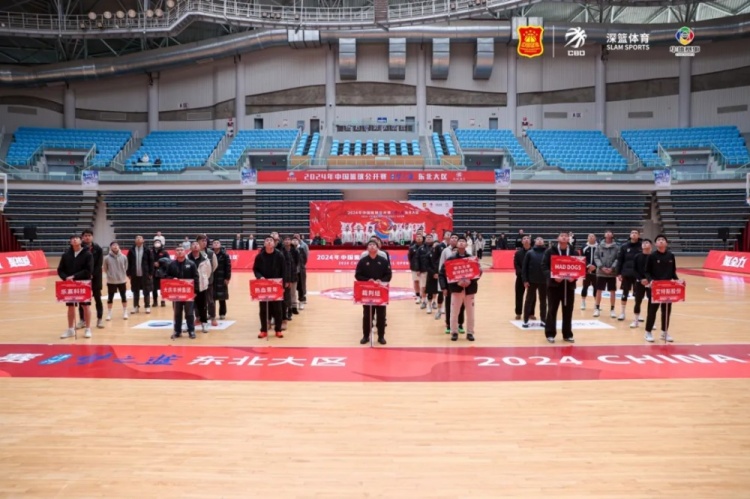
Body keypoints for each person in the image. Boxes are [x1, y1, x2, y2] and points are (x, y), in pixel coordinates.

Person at [440, 236, 481, 342]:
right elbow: (443, 274)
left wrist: (471, 281)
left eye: (463, 241)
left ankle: (470, 332)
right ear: (457, 244)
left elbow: (478, 272)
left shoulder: (472, 258)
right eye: (460, 241)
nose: (461, 242)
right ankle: (454, 332)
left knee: (470, 313)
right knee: (454, 312)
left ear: (466, 245)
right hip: (456, 289)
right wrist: (445, 287)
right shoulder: (450, 259)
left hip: (469, 289)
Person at [541, 232, 577, 343]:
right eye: (562, 236)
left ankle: (567, 334)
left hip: (569, 286)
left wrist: (574, 278)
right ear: (558, 238)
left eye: (566, 236)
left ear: (569, 239)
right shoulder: (550, 251)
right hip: (554, 286)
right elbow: (544, 266)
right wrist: (553, 276)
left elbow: (579, 267)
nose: (564, 237)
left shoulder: (574, 252)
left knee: (568, 311)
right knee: (552, 310)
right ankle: (550, 334)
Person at [355, 241, 393, 345]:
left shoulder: (383, 261)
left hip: (381, 292)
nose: (372, 246)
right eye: (370, 245)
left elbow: (388, 275)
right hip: (367, 292)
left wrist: (381, 281)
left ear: (377, 248)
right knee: (367, 315)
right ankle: (365, 336)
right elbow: (357, 275)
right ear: (367, 248)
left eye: (374, 245)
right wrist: (367, 280)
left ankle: (381, 336)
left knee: (381, 315)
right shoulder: (363, 261)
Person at [644, 235, 681, 343]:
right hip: (655, 287)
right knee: (652, 311)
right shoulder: (652, 256)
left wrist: (677, 281)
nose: (661, 241)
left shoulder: (671, 256)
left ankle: (664, 332)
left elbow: (673, 272)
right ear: (656, 244)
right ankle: (648, 332)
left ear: (666, 243)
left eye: (663, 240)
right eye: (658, 240)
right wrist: (651, 281)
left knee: (666, 311)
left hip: (667, 287)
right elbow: (647, 271)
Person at [57, 235, 94, 339]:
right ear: (70, 242)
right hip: (69, 284)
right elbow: (60, 270)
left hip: (83, 283)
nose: (74, 239)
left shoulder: (87, 254)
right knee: (70, 307)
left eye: (76, 238)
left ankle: (88, 329)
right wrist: (65, 278)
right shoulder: (66, 255)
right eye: (72, 238)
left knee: (85, 306)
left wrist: (74, 276)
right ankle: (70, 330)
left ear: (80, 241)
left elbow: (88, 270)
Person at [252, 236, 287, 339]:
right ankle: (263, 330)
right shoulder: (259, 256)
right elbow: (255, 270)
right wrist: (260, 277)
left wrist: (283, 285)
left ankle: (278, 330)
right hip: (264, 286)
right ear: (264, 244)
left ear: (274, 243)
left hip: (276, 285)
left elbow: (284, 270)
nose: (269, 242)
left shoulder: (279, 255)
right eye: (267, 240)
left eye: (271, 240)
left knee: (278, 309)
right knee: (263, 309)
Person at [167, 245, 199, 340]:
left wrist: (195, 291)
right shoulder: (171, 264)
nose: (179, 251)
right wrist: (172, 278)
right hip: (177, 293)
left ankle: (191, 330)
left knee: (189, 313)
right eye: (177, 250)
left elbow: (196, 278)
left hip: (188, 292)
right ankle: (177, 331)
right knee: (177, 313)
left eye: (181, 250)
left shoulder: (191, 264)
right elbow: (166, 276)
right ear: (175, 252)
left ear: (185, 252)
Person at [439, 234, 465, 335]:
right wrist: (443, 287)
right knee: (449, 305)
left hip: (461, 285)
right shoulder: (446, 253)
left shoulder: (465, 256)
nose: (454, 239)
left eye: (456, 238)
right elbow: (441, 271)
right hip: (449, 285)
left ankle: (460, 324)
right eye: (452, 238)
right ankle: (449, 325)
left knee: (461, 306)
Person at [78, 229, 104, 329]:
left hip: (96, 278)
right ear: (82, 237)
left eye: (89, 235)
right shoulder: (79, 248)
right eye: (85, 235)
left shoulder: (98, 249)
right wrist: (86, 274)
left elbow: (99, 264)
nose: (87, 237)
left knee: (98, 299)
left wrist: (92, 274)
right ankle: (82, 320)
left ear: (92, 237)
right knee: (83, 300)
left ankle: (99, 319)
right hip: (83, 278)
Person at [617, 229, 642, 322]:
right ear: (630, 235)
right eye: (632, 233)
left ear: (639, 235)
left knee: (638, 295)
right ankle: (622, 313)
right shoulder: (624, 246)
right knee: (625, 294)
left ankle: (637, 313)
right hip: (626, 274)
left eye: (636, 233)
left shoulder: (642, 246)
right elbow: (620, 260)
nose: (634, 234)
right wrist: (619, 273)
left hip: (638, 274)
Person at [522, 236, 547, 328]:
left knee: (543, 301)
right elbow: (524, 268)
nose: (539, 240)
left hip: (544, 281)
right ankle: (525, 320)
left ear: (543, 242)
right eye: (538, 239)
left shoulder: (547, 252)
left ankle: (543, 320)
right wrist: (525, 280)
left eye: (541, 239)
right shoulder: (529, 253)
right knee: (528, 300)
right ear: (535, 242)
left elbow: (550, 266)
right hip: (531, 281)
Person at [593, 230, 619, 319]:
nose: (608, 233)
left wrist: (612, 267)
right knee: (599, 290)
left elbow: (618, 258)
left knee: (612, 291)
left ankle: (612, 309)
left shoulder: (616, 247)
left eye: (610, 232)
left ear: (612, 235)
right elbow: (596, 257)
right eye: (606, 232)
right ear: (604, 235)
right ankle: (597, 308)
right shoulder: (599, 246)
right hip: (601, 272)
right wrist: (601, 267)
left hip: (612, 272)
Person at [188, 241, 212, 333]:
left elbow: (208, 272)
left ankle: (204, 323)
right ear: (190, 247)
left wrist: (204, 279)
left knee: (203, 306)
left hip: (201, 286)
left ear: (199, 247)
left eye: (197, 244)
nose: (195, 246)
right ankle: (189, 324)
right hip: (189, 287)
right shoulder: (186, 258)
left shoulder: (205, 258)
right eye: (193, 244)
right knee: (189, 307)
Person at [126, 235, 154, 314]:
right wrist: (128, 273)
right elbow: (128, 262)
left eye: (140, 238)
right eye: (137, 238)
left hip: (145, 274)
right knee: (135, 291)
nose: (138, 239)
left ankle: (147, 306)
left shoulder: (147, 250)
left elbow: (151, 262)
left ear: (143, 240)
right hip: (134, 274)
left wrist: (151, 273)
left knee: (146, 291)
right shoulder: (131, 250)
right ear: (135, 241)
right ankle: (135, 306)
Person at [103, 241, 129, 321]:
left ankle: (125, 312)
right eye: (113, 245)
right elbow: (105, 269)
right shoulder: (106, 258)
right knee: (110, 298)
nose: (115, 246)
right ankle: (109, 313)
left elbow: (126, 267)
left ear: (118, 246)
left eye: (116, 245)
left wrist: (122, 274)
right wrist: (110, 275)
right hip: (111, 281)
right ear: (111, 247)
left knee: (123, 296)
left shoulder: (124, 257)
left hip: (122, 280)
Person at [196, 234, 218, 327]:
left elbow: (215, 265)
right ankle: (198, 317)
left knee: (210, 300)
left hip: (208, 280)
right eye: (202, 241)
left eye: (205, 241)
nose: (204, 242)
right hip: (197, 281)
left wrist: (207, 275)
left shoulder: (210, 253)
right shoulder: (193, 253)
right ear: (197, 242)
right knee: (197, 300)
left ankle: (213, 317)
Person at [630, 238, 652, 329]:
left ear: (651, 246)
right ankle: (636, 320)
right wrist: (640, 279)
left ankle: (651, 322)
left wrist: (649, 280)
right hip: (639, 282)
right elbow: (634, 270)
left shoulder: (653, 257)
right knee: (638, 301)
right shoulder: (637, 256)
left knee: (652, 302)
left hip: (651, 283)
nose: (645, 244)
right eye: (643, 243)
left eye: (647, 243)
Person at [212, 239, 232, 320]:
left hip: (222, 278)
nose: (216, 244)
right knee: (211, 298)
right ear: (212, 245)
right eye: (214, 243)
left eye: (217, 243)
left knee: (222, 297)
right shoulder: (210, 254)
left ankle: (222, 313)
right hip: (212, 278)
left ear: (220, 245)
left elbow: (228, 267)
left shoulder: (225, 255)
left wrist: (227, 278)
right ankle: (212, 313)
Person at [513, 235, 531, 320]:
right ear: (522, 241)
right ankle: (518, 313)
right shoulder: (518, 253)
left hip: (531, 278)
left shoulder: (533, 252)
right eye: (524, 238)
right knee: (519, 295)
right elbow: (516, 265)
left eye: (527, 238)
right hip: (520, 277)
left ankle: (531, 313)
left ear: (530, 241)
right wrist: (523, 274)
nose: (526, 239)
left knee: (532, 296)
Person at [580, 233, 598, 311]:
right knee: (585, 286)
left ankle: (596, 303)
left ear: (595, 238)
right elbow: (582, 258)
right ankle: (583, 302)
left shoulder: (599, 247)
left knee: (596, 287)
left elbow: (600, 257)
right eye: (589, 236)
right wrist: (588, 266)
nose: (591, 237)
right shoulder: (584, 247)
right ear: (587, 238)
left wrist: (595, 266)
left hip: (596, 271)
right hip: (586, 271)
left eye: (592, 236)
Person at [408, 234, 427, 306]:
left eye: (420, 237)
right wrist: (414, 266)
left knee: (424, 284)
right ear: (415, 239)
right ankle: (418, 296)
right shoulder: (412, 248)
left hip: (424, 268)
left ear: (422, 238)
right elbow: (410, 258)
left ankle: (424, 296)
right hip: (415, 268)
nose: (419, 238)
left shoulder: (426, 247)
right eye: (417, 237)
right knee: (416, 282)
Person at [151, 239, 170, 308]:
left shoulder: (164, 252)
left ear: (161, 244)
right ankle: (155, 301)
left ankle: (163, 301)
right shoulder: (150, 252)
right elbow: (148, 261)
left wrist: (160, 263)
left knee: (163, 287)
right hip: (153, 272)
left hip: (163, 272)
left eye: (158, 242)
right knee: (154, 288)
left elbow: (168, 261)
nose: (157, 243)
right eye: (156, 242)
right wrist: (153, 264)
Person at [292, 236, 308, 310]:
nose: (295, 241)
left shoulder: (301, 249)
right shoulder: (289, 250)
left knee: (301, 288)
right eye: (293, 240)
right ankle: (292, 304)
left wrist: (300, 267)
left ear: (298, 242)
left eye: (296, 240)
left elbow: (305, 259)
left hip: (300, 272)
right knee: (291, 289)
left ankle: (301, 302)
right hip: (292, 273)